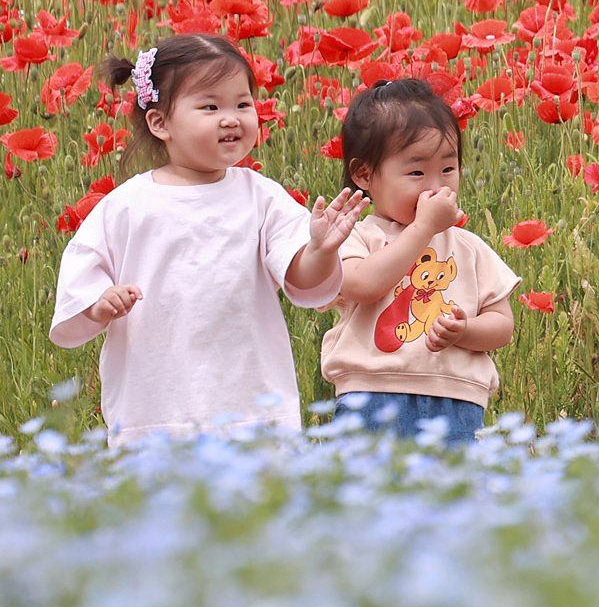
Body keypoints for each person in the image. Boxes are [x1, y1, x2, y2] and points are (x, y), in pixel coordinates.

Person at [50, 33, 368, 447]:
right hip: (157, 407)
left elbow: (304, 281)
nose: (231, 118)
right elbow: (81, 282)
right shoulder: (126, 206)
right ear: (159, 122)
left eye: (242, 104)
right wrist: (99, 303)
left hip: (250, 402)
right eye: (210, 106)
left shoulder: (261, 197)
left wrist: (321, 250)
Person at [321, 78, 521, 444]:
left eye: (448, 169)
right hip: (372, 396)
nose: (435, 186)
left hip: (457, 400)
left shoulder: (469, 246)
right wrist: (424, 227)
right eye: (416, 172)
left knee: (452, 498)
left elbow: (502, 325)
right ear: (364, 174)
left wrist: (466, 331)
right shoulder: (354, 236)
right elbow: (365, 286)